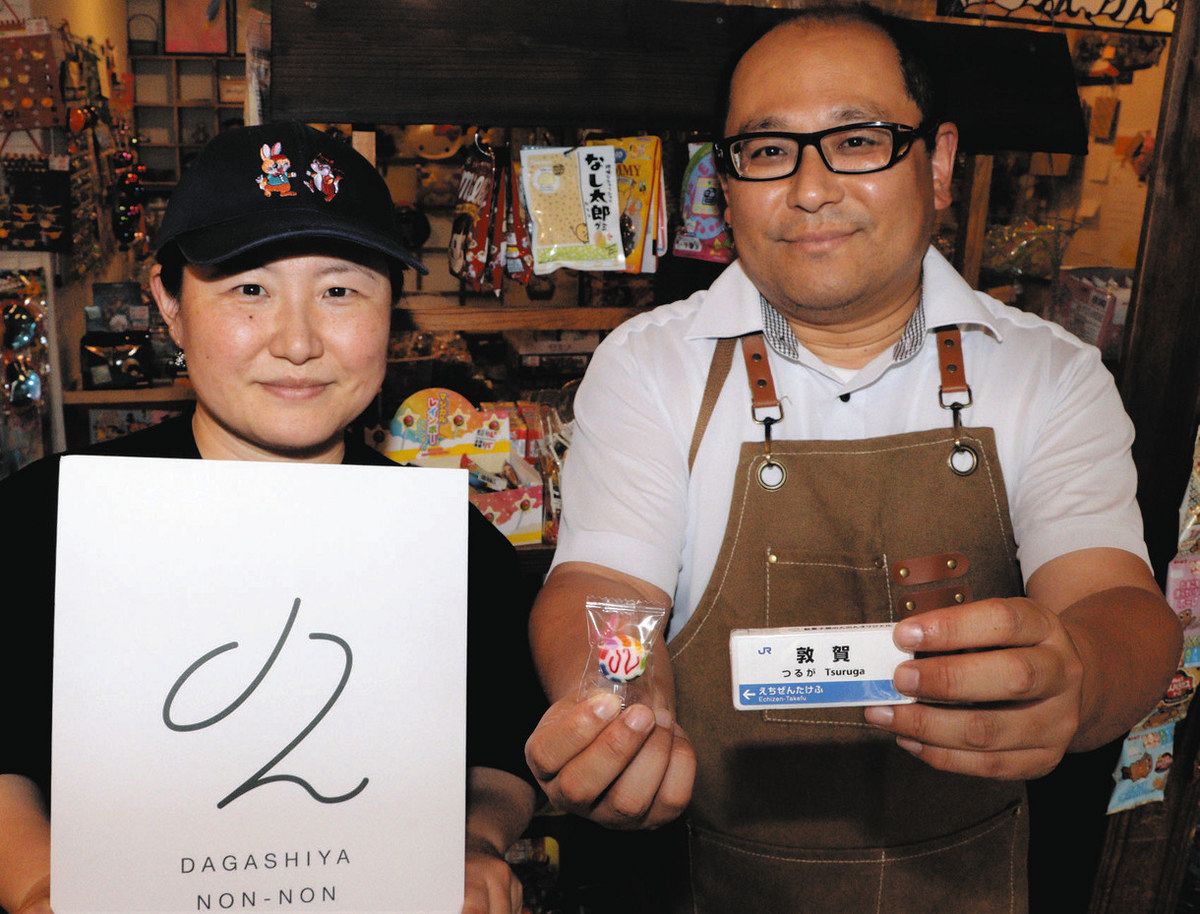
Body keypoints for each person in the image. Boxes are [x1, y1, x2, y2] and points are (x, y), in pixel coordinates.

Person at [522, 6, 1182, 913]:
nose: (810, 188)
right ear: (728, 180)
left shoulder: (1047, 373)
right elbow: (611, 587)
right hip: (712, 878)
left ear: (939, 162)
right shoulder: (651, 365)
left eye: (859, 140)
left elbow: (1114, 601)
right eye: (767, 151)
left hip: (968, 880)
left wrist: (1082, 676)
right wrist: (621, 703)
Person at [0, 122, 544, 914]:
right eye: (248, 289)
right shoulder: (46, 520)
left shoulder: (452, 548)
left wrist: (474, 840)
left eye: (340, 290)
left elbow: (501, 755)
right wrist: (40, 883)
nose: (296, 341)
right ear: (170, 304)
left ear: (392, 310)